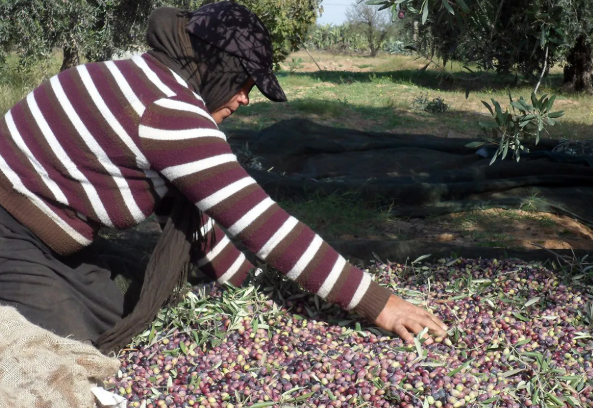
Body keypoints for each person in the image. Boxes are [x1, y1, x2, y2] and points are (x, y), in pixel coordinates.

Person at [0, 1, 447, 353]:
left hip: (39, 236)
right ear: (220, 69)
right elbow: (265, 225)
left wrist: (256, 292)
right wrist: (381, 305)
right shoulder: (170, 112)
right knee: (60, 349)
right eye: (244, 82)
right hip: (10, 230)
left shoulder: (141, 74)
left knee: (123, 310)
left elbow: (202, 227)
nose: (245, 99)